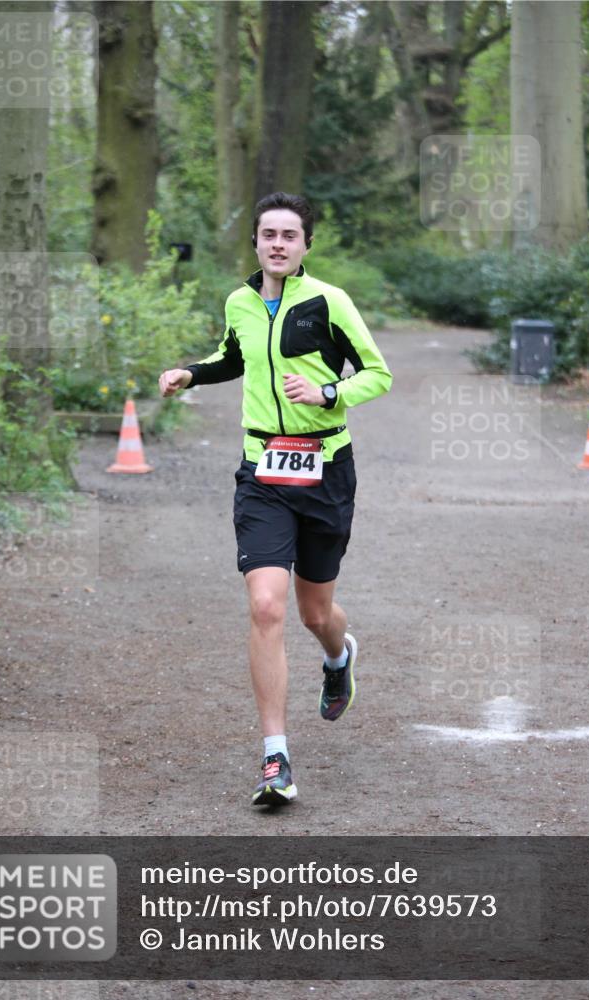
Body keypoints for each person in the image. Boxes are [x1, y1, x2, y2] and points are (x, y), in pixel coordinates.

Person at [159, 192, 391, 807]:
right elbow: (232, 356)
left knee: (316, 614)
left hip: (324, 471)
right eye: (269, 234)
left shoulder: (329, 301)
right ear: (257, 242)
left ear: (306, 245)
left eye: (291, 235)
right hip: (262, 470)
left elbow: (376, 373)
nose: (279, 244)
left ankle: (339, 656)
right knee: (266, 607)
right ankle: (275, 757)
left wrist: (326, 391)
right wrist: (190, 371)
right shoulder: (239, 301)